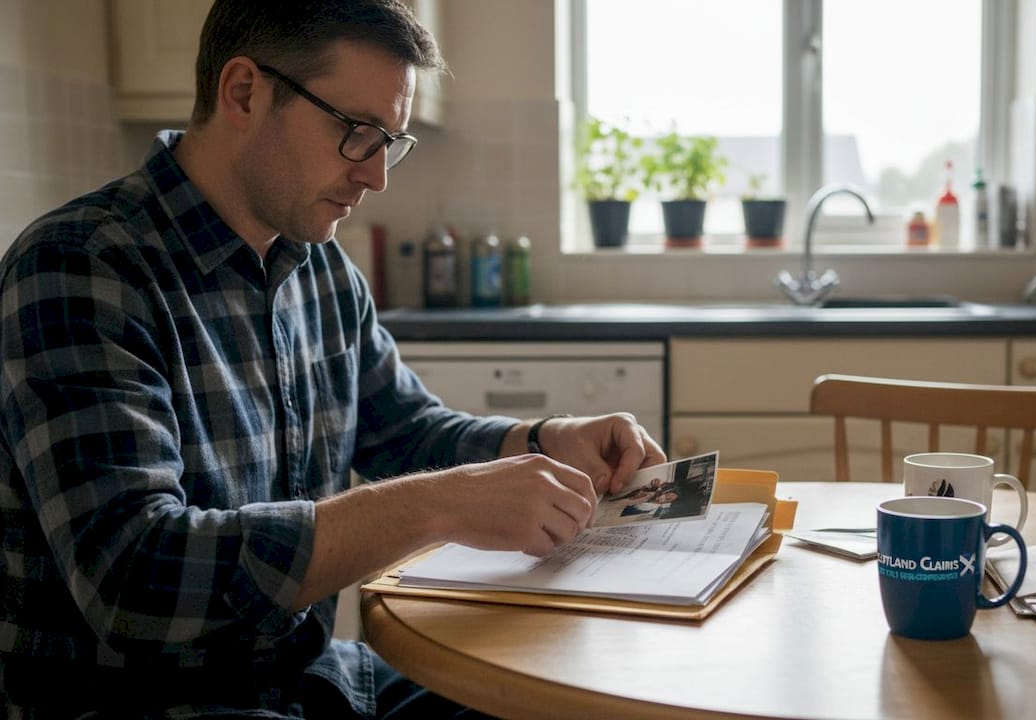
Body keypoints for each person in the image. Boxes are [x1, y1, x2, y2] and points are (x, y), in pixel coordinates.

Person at [0, 1, 665, 717]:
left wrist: (542, 440)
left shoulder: (319, 266)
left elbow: (406, 430)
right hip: (149, 705)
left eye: (392, 143)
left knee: (560, 697)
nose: (377, 176)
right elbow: (132, 576)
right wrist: (438, 504)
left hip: (305, 683)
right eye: (357, 133)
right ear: (244, 92)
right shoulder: (83, 265)